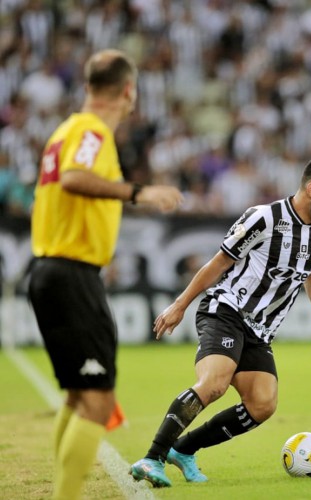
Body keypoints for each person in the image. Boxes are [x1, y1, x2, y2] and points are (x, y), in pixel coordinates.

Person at [129, 156, 311, 488]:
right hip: (226, 310)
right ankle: (152, 457)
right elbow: (219, 262)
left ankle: (183, 450)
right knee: (215, 383)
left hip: (260, 331)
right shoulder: (264, 218)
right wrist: (180, 305)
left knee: (263, 404)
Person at [27, 49, 184, 500]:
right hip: (70, 272)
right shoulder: (91, 131)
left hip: (55, 268)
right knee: (97, 401)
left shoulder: (64, 131)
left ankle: (63, 492)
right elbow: (75, 178)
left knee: (80, 396)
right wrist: (139, 192)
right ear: (128, 91)